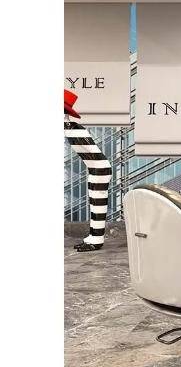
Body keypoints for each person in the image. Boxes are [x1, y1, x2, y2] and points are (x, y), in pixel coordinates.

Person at [64, 89, 113, 252]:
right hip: (95, 170)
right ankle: (93, 237)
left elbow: (92, 151)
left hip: (100, 170)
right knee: (95, 205)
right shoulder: (69, 128)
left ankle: (97, 240)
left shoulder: (73, 129)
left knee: (98, 205)